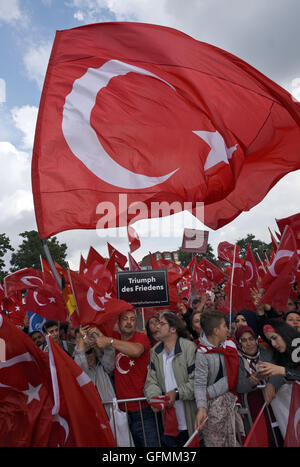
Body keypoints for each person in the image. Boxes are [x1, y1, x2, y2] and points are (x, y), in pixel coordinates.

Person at [90, 309, 159, 447]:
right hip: (122, 410)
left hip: (143, 407)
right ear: (118, 322)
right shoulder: (114, 337)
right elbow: (101, 340)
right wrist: (92, 331)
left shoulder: (141, 337)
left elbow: (136, 351)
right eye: (125, 319)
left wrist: (109, 341)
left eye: (132, 319)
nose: (129, 322)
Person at [144, 312, 197, 447]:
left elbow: (196, 381)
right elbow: (151, 381)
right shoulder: (155, 352)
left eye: (161, 324)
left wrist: (177, 393)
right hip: (169, 422)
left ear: (173, 329)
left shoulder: (189, 348)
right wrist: (154, 397)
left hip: (191, 421)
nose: (157, 326)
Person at [194, 310, 243, 447]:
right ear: (216, 331)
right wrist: (202, 407)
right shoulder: (202, 353)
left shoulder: (230, 346)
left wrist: (210, 392)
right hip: (214, 411)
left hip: (232, 404)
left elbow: (235, 376)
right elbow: (199, 383)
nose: (227, 329)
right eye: (224, 326)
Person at [235, 325, 284, 445]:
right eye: (244, 340)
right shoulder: (237, 360)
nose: (249, 343)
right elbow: (238, 385)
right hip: (253, 411)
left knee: (278, 436)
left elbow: (280, 374)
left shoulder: (267, 353)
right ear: (239, 343)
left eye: (251, 339)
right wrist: (250, 382)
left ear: (256, 339)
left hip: (274, 405)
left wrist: (271, 384)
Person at [73, 326, 116, 417]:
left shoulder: (104, 367)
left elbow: (110, 351)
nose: (88, 356)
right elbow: (80, 362)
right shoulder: (81, 372)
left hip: (112, 416)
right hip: (93, 417)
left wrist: (99, 334)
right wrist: (81, 338)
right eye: (85, 354)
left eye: (90, 352)